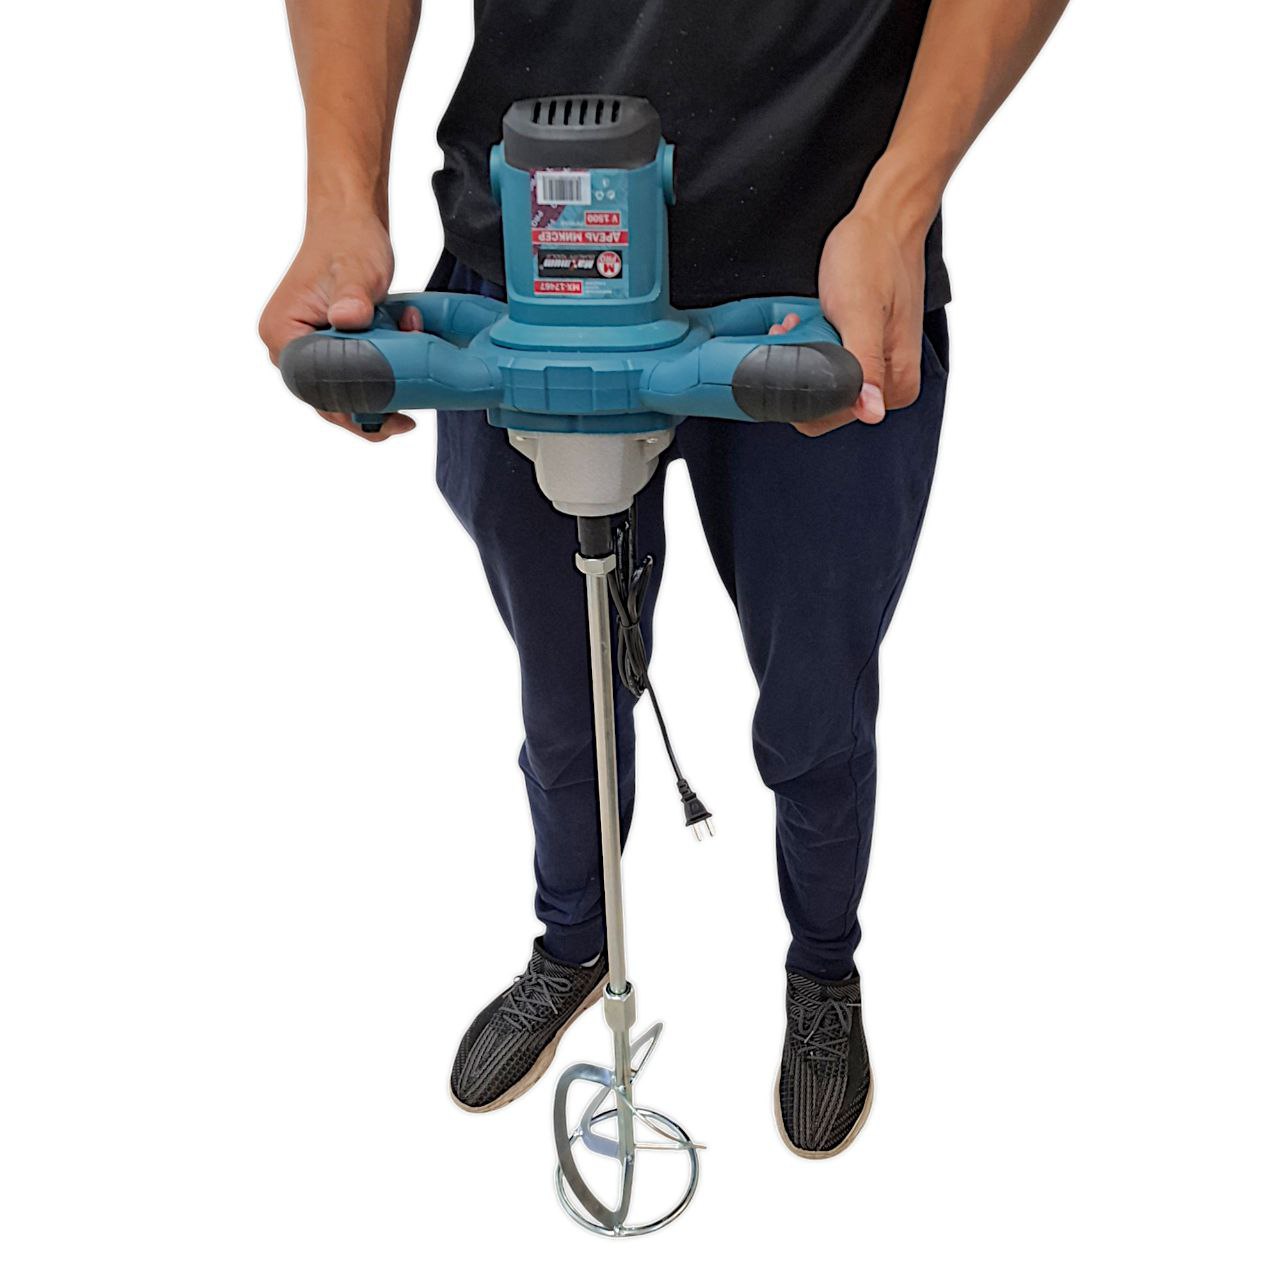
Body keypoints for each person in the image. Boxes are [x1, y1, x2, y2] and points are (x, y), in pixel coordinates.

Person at [260, 0, 1067, 1158]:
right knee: (569, 699)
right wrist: (340, 196)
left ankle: (822, 968)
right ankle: (573, 943)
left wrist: (900, 199)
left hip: (822, 286)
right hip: (526, 273)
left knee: (814, 711)